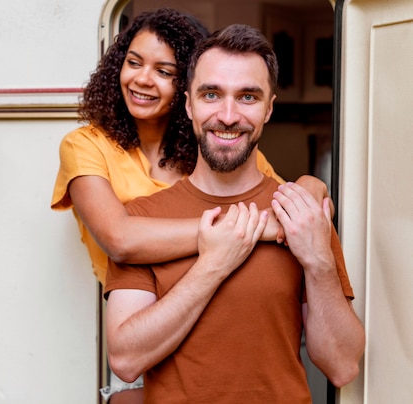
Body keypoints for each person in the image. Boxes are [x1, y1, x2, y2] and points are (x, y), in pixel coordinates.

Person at [51, 9, 331, 403]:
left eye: (163, 71)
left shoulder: (215, 148)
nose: (143, 79)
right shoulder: (86, 145)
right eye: (133, 63)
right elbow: (121, 238)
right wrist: (245, 233)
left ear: (186, 92)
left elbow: (285, 200)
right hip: (140, 324)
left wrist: (312, 184)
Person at [103, 24, 365, 403]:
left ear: (268, 109)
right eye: (212, 94)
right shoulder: (145, 217)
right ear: (189, 105)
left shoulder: (301, 213)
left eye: (247, 97)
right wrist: (214, 265)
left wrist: (318, 261)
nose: (228, 115)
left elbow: (342, 365)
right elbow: (126, 360)